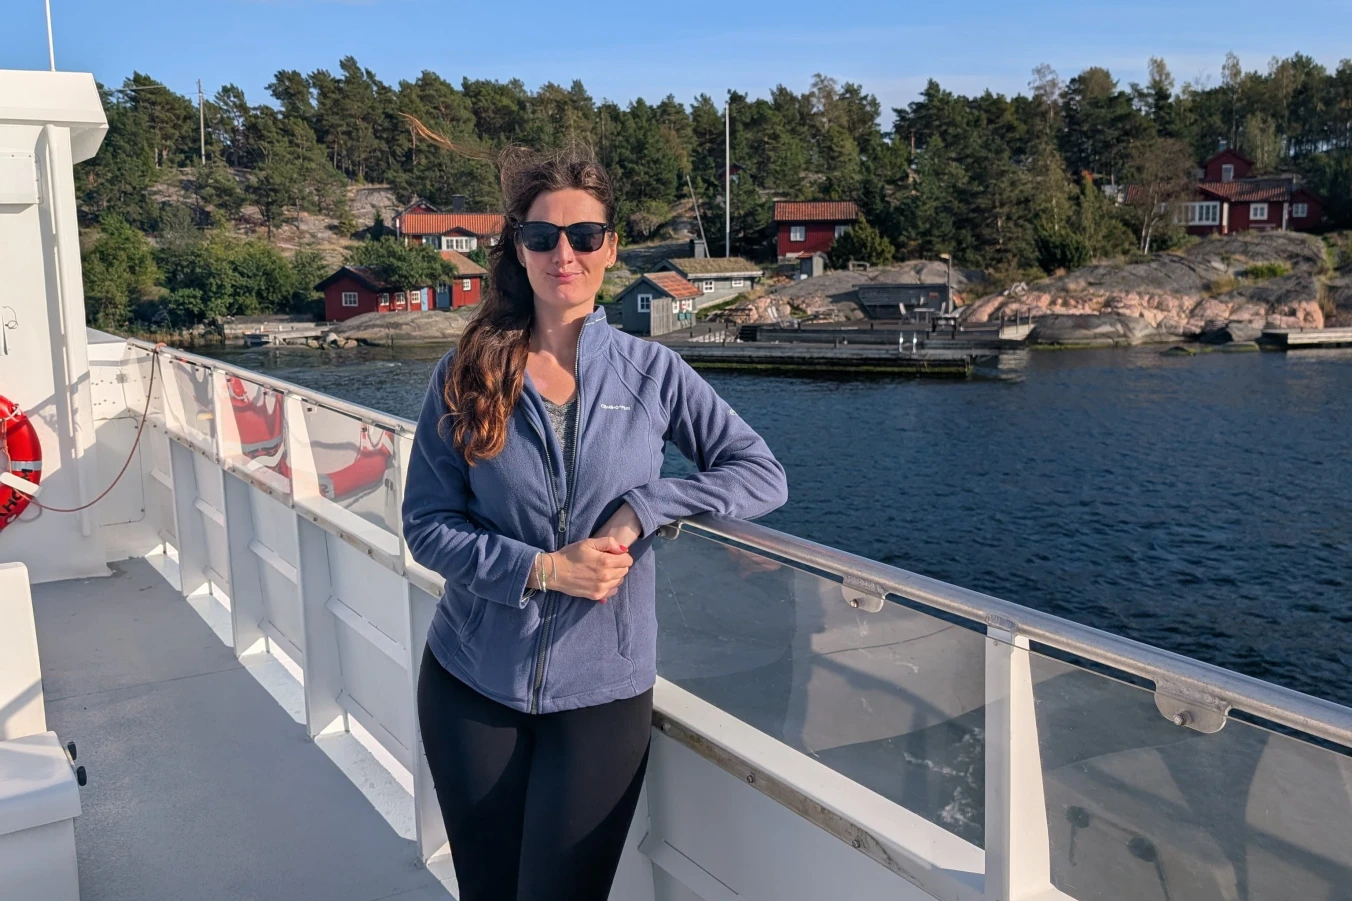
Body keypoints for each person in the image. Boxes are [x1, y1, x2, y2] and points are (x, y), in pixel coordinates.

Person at [401, 141, 788, 901]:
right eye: (543, 237)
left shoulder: (655, 374)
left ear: (611, 246)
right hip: (470, 687)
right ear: (519, 247)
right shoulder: (467, 373)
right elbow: (426, 523)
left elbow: (760, 474)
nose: (564, 254)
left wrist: (648, 507)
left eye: (584, 236)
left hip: (602, 700)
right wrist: (542, 569)